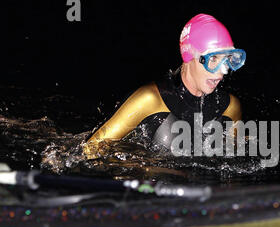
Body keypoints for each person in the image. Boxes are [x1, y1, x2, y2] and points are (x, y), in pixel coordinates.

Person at [84, 13, 246, 158]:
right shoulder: (150, 100)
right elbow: (90, 150)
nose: (223, 72)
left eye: (228, 60)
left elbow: (237, 160)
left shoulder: (230, 107)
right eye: (214, 59)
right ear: (189, 56)